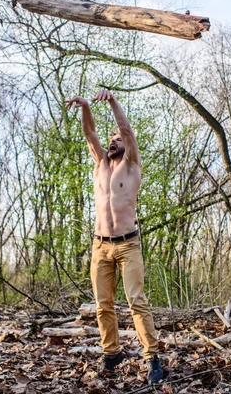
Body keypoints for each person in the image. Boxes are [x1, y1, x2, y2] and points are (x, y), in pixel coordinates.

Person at [66, 89, 163, 383]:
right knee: (102, 305)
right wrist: (85, 107)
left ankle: (152, 357)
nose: (113, 141)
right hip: (100, 247)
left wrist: (112, 102)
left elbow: (127, 130)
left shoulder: (131, 165)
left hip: (128, 245)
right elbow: (90, 133)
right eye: (111, 139)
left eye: (117, 139)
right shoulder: (100, 164)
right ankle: (112, 354)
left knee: (136, 301)